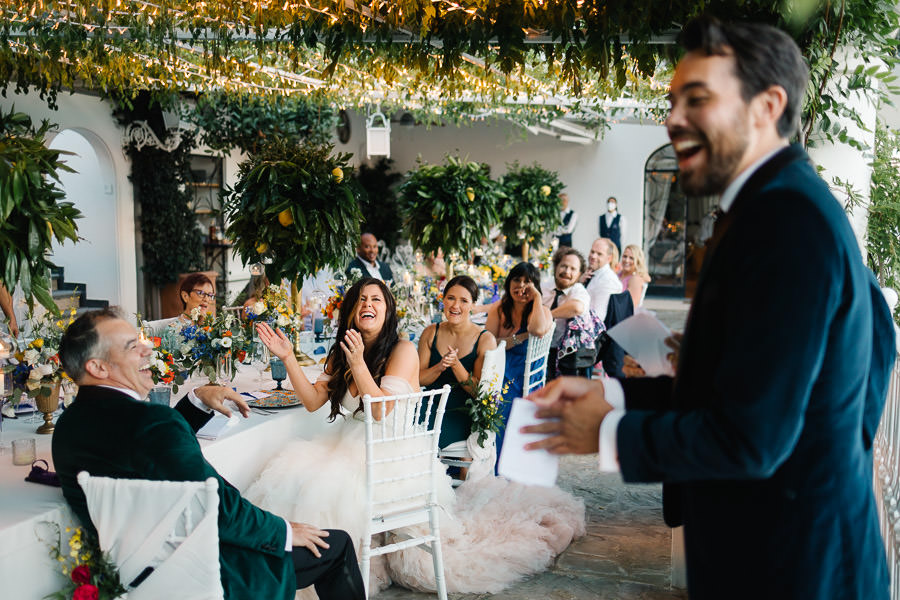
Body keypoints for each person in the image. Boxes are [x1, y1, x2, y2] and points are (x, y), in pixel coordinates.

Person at [523, 17, 894, 600]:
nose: (672, 118)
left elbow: (753, 438)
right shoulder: (772, 208)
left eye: (697, 99)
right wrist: (614, 394)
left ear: (766, 106)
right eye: (672, 101)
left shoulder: (787, 222)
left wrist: (610, 430)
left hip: (795, 565)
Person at [248, 277, 582, 595]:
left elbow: (381, 411)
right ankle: (301, 569)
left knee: (321, 486)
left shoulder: (402, 350)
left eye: (376, 299)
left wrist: (359, 363)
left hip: (391, 452)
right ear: (351, 311)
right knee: (295, 474)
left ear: (388, 311)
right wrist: (288, 357)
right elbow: (311, 402)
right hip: (350, 442)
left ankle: (335, 568)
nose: (368, 304)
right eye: (361, 299)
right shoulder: (343, 351)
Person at [52, 308, 365, 600]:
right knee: (335, 544)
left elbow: (146, 454)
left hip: (135, 575)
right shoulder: (152, 423)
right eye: (132, 347)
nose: (148, 350)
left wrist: (196, 400)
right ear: (97, 366)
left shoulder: (67, 429)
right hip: (210, 568)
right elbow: (218, 509)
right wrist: (283, 531)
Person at [418, 275, 497, 448]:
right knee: (404, 429)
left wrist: (456, 365)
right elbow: (418, 379)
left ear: (473, 305)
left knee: (421, 442)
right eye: (451, 298)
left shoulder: (485, 339)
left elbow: (479, 393)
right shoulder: (431, 332)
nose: (455, 306)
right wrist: (439, 367)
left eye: (464, 301)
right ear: (443, 300)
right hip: (430, 406)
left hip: (462, 413)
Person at [484, 262, 552, 455]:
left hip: (524, 374)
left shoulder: (541, 311)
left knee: (497, 394)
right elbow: (488, 343)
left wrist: (537, 297)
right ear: (509, 282)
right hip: (501, 365)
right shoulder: (499, 308)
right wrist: (518, 338)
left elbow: (537, 329)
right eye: (517, 280)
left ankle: (504, 456)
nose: (521, 286)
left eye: (527, 282)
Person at [542, 247, 593, 379]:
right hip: (538, 348)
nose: (567, 272)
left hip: (566, 356)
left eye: (573, 269)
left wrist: (548, 315)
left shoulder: (579, 291)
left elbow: (576, 307)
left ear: (580, 274)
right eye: (563, 266)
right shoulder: (543, 287)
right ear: (556, 266)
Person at [583, 238, 621, 322]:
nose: (593, 256)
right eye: (592, 252)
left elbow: (598, 317)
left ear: (609, 258)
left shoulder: (608, 281)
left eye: (599, 254)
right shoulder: (592, 273)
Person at [618, 244, 650, 308]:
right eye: (625, 256)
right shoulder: (618, 274)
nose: (627, 260)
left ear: (637, 261)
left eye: (631, 258)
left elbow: (631, 306)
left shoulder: (635, 279)